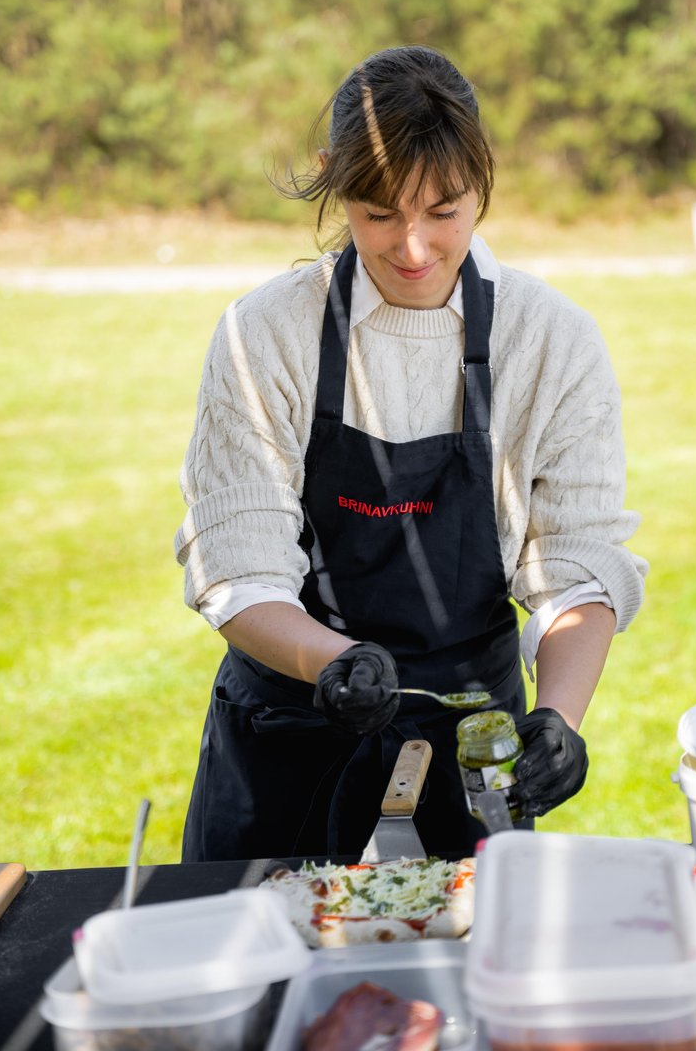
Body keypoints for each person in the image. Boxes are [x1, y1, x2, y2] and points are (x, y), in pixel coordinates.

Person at [175, 45, 647, 862]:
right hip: (287, 735)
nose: (416, 247)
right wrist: (330, 660)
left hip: (471, 752)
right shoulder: (266, 334)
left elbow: (574, 564)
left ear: (483, 179)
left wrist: (561, 719)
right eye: (379, 213)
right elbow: (238, 565)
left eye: (445, 210)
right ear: (333, 181)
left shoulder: (552, 340)